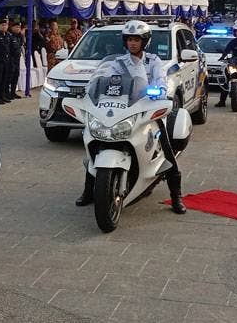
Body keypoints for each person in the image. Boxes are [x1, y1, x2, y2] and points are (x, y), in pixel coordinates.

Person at [74, 20, 186, 214]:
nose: (132, 43)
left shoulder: (153, 61)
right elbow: (105, 79)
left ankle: (176, 196)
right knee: (97, 141)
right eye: (129, 40)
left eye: (136, 40)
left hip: (149, 108)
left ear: (145, 42)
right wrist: (92, 90)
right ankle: (89, 191)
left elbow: (160, 80)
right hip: (125, 108)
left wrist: (159, 89)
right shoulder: (117, 62)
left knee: (166, 148)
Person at [6, 21, 24, 100]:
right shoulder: (9, 36)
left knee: (16, 76)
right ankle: (7, 93)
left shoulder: (19, 36)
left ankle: (13, 92)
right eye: (16, 27)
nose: (18, 29)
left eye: (19, 27)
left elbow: (20, 46)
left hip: (17, 59)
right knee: (9, 77)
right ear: (12, 27)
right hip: (11, 59)